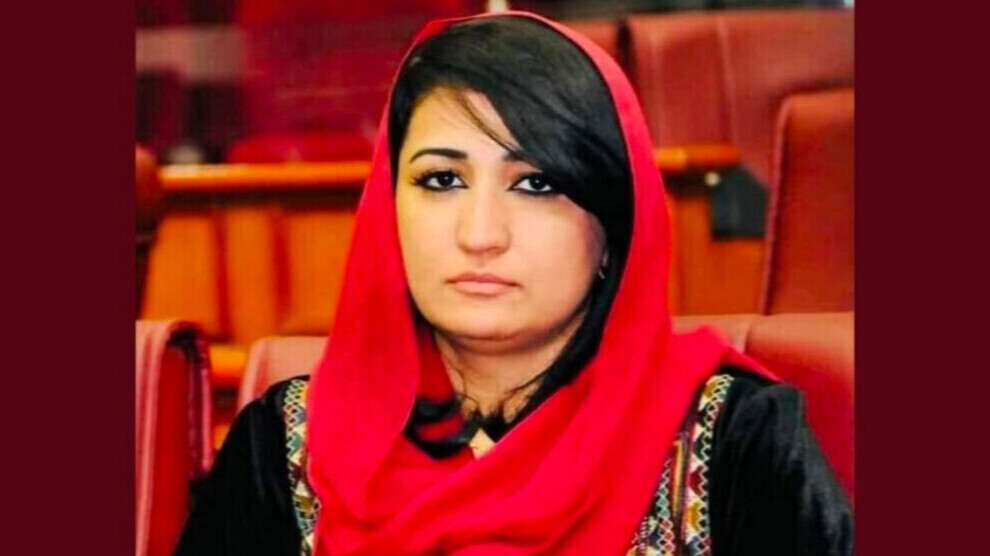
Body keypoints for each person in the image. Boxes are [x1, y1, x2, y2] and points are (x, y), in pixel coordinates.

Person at [176, 12, 852, 556]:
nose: (480, 233)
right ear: (388, 209)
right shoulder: (289, 444)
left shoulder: (735, 441)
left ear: (614, 227)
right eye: (442, 180)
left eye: (536, 184)